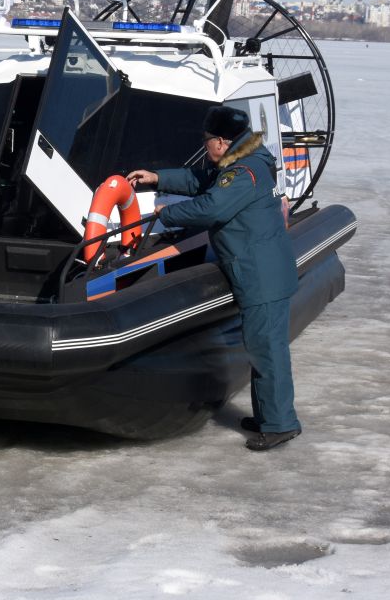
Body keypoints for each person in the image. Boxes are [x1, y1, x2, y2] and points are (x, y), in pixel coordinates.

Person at [126, 106, 301, 451]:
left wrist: (168, 213)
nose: (205, 147)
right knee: (264, 348)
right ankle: (269, 416)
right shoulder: (242, 161)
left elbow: (211, 208)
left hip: (261, 275)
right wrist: (157, 178)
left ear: (221, 142)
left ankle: (280, 424)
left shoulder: (243, 173)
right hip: (262, 269)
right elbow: (200, 181)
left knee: (267, 351)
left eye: (206, 141)